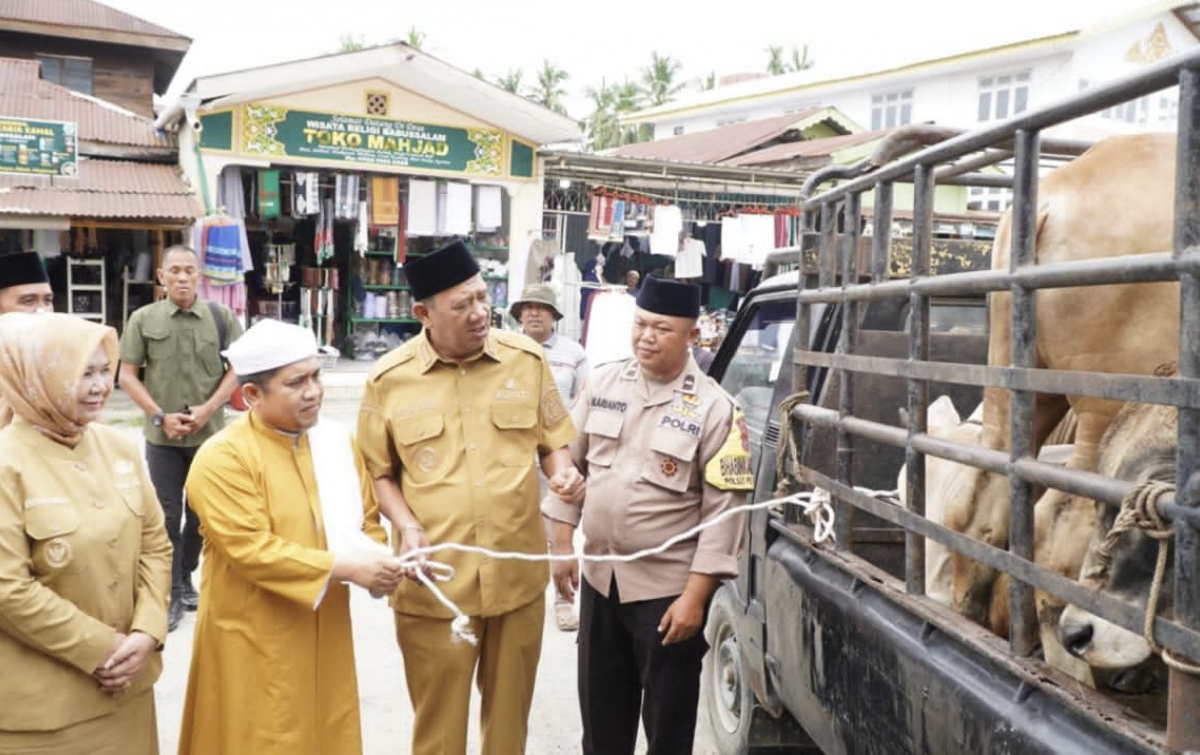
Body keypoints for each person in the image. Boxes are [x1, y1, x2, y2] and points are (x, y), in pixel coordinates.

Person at [357, 240, 584, 755]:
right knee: (439, 732)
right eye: (462, 305)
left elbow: (554, 444)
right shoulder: (388, 380)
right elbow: (380, 474)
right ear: (423, 313)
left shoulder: (525, 360)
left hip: (518, 580)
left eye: (483, 297)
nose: (480, 313)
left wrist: (565, 474)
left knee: (508, 731)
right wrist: (407, 526)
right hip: (435, 585)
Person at [543, 276, 753, 755]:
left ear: (691, 336)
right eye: (640, 324)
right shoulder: (604, 383)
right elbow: (566, 462)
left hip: (667, 596)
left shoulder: (717, 410)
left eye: (661, 328)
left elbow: (724, 516)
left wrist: (696, 599)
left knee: (668, 729)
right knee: (601, 725)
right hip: (601, 585)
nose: (646, 336)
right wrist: (560, 547)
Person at [178, 318, 403, 755]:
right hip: (252, 636)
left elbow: (365, 520)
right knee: (259, 737)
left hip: (326, 628)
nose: (314, 390)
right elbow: (252, 551)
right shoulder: (222, 458)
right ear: (252, 396)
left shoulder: (336, 442)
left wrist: (384, 562)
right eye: (296, 382)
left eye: (316, 376)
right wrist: (350, 568)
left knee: (326, 729)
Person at [0, 312, 172, 754]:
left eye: (102, 371)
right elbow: (8, 589)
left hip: (128, 694)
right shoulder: (7, 463)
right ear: (35, 378)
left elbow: (155, 544)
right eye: (81, 373)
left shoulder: (117, 446)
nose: (99, 386)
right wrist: (102, 648)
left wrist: (148, 631)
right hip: (46, 715)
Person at [118, 244, 242, 632]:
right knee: (167, 518)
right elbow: (126, 375)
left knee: (203, 516)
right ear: (161, 276)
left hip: (211, 439)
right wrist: (159, 416)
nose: (183, 278)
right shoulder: (142, 319)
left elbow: (239, 370)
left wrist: (208, 410)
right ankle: (170, 591)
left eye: (190, 270)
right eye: (175, 271)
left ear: (200, 275)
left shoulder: (221, 318)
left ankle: (186, 575)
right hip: (163, 439)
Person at [510, 282, 589, 632]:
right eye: (527, 308)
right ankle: (515, 600)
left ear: (554, 316)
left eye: (540, 308)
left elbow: (585, 400)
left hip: (557, 455)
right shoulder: (503, 349)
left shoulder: (574, 354)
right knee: (512, 530)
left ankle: (563, 601)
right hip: (512, 455)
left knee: (559, 531)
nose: (533, 313)